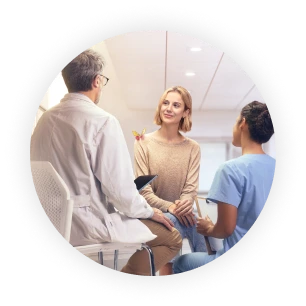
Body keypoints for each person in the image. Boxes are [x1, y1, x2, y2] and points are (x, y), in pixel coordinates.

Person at [30, 49, 182, 276]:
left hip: (54, 223)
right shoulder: (102, 121)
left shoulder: (43, 121)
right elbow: (121, 193)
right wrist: (151, 212)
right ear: (96, 81)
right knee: (173, 238)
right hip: (87, 228)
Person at [172, 101, 276, 274]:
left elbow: (225, 229)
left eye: (235, 122)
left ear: (242, 123)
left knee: (181, 262)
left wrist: (209, 228)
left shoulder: (230, 169)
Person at [133, 86, 222, 276]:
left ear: (185, 112)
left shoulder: (193, 147)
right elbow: (144, 191)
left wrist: (182, 205)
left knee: (197, 223)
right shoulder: (142, 142)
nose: (168, 108)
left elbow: (190, 189)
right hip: (154, 215)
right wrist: (171, 207)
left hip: (183, 213)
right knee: (174, 221)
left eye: (176, 105)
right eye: (165, 103)